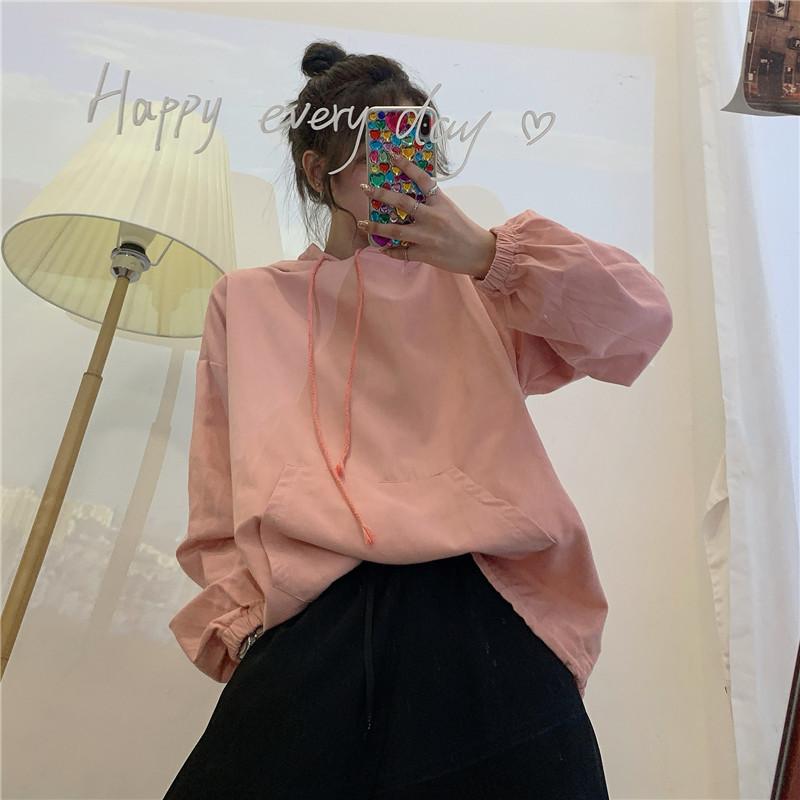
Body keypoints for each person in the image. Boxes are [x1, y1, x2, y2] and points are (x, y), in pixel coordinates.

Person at [164, 40, 672, 800]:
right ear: (318, 172)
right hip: (314, 622)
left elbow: (641, 321)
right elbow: (217, 491)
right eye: (384, 156)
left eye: (421, 156)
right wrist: (247, 629)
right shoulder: (247, 299)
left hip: (483, 607)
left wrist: (490, 256)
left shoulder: (483, 283)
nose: (410, 178)